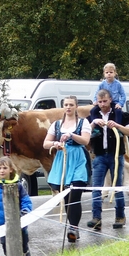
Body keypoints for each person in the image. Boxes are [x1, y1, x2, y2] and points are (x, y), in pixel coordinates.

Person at [43, 95, 92, 242]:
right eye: (66, 105)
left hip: (78, 159)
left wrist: (71, 135)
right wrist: (55, 144)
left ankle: (74, 228)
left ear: (76, 106)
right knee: (66, 195)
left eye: (71, 104)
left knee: (74, 194)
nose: (68, 107)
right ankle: (72, 227)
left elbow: (85, 140)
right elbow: (45, 143)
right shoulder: (57, 124)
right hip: (63, 160)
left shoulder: (83, 122)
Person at [87, 89, 129, 231]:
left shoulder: (121, 114)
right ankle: (96, 218)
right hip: (99, 156)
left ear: (110, 100)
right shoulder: (92, 115)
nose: (102, 104)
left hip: (116, 156)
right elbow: (84, 134)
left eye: (105, 101)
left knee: (117, 186)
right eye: (100, 102)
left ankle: (120, 216)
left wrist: (117, 125)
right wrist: (93, 123)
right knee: (96, 188)